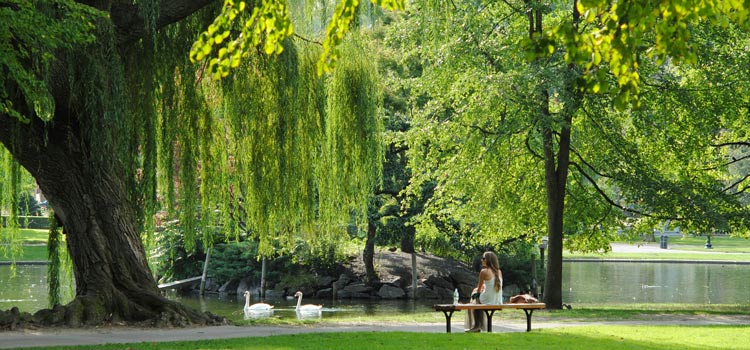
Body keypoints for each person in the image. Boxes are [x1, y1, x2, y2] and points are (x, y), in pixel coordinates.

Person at [465, 251, 503, 332]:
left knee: (475, 294)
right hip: (498, 301)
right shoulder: (499, 272)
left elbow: (478, 289)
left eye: (483, 258)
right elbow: (491, 285)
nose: (481, 260)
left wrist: (475, 293)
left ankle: (476, 325)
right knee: (477, 298)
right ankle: (478, 325)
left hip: (488, 300)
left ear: (488, 260)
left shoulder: (484, 271)